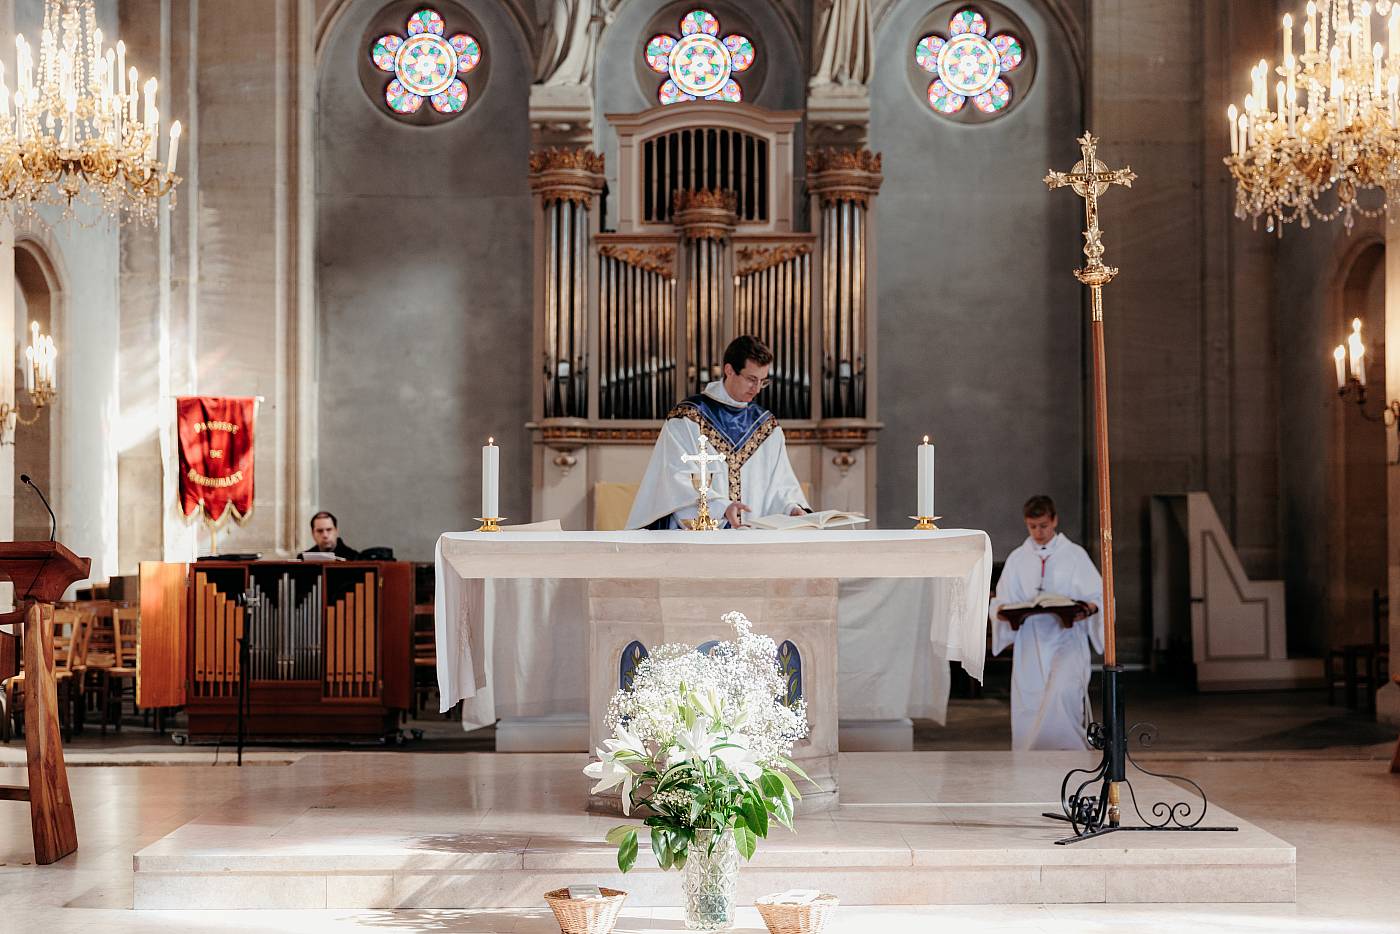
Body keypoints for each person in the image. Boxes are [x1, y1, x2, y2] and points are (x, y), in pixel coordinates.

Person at [626, 335, 809, 529]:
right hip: (702, 537)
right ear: (729, 370)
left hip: (754, 543)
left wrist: (792, 508)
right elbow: (673, 481)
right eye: (751, 379)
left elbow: (780, 486)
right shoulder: (688, 419)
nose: (756, 389)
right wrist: (721, 507)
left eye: (763, 381)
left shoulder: (767, 427)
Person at [988, 495, 1104, 750]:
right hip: (1031, 640)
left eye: (1043, 525)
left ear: (1054, 521)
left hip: (1066, 637)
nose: (1038, 532)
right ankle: (1031, 759)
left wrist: (1088, 609)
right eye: (1032, 526)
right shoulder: (1018, 558)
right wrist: (1001, 611)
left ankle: (1068, 754)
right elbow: (1001, 601)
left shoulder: (1074, 555)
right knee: (1032, 698)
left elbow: (1100, 596)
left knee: (1063, 693)